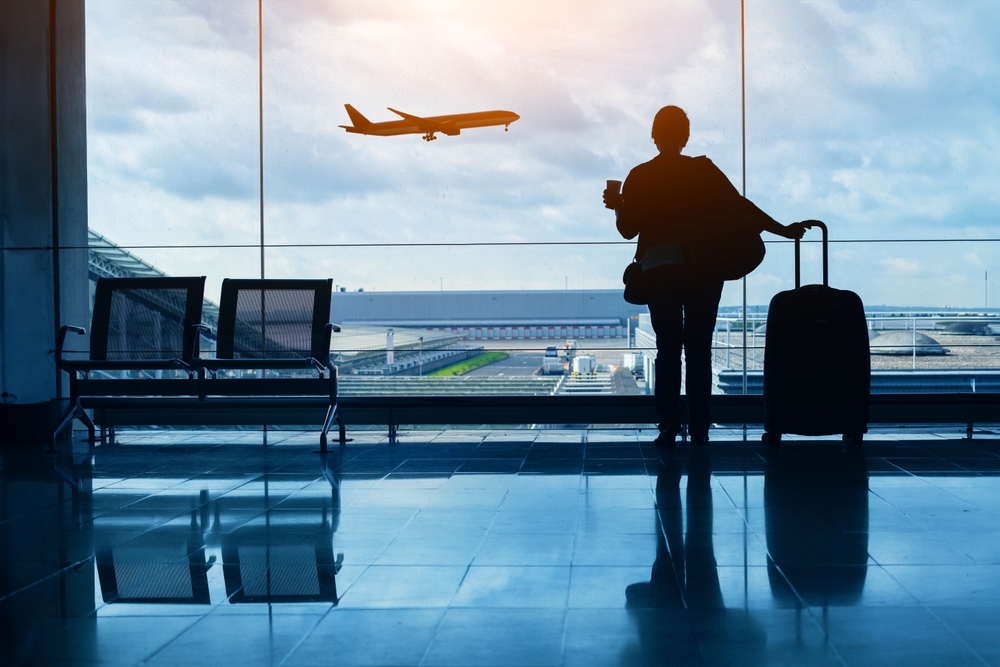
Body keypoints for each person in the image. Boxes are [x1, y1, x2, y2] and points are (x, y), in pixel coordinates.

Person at [604, 105, 804, 446]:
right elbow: (740, 206)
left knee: (668, 350)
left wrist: (619, 204)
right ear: (685, 136)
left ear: (654, 136)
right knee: (699, 350)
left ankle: (668, 426)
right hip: (702, 270)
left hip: (659, 271)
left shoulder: (639, 175)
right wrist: (781, 230)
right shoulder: (703, 171)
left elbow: (626, 230)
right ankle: (700, 428)